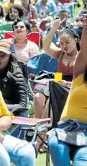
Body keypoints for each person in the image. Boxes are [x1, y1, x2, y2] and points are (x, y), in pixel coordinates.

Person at [48, 14, 87, 166]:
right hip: (66, 128)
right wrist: (86, 27)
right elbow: (84, 52)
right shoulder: (80, 76)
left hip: (85, 132)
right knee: (55, 144)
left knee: (81, 161)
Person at [33, 18, 80, 121]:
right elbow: (46, 47)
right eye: (61, 43)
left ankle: (41, 131)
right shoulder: (60, 54)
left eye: (67, 42)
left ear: (75, 41)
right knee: (37, 98)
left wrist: (67, 84)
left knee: (52, 99)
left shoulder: (82, 58)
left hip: (73, 87)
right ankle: (38, 127)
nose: (64, 46)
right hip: (57, 85)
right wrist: (53, 29)